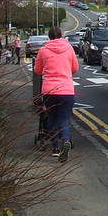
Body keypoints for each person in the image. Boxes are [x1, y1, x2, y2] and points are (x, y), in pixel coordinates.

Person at [34, 26, 79, 162]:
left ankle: (55, 149)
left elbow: (38, 70)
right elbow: (75, 68)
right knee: (65, 119)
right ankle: (66, 141)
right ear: (61, 35)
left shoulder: (43, 50)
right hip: (66, 89)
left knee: (52, 119)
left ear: (49, 36)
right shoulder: (69, 48)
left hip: (49, 90)